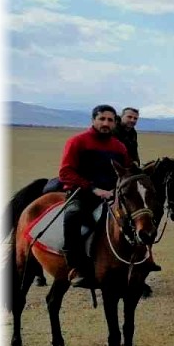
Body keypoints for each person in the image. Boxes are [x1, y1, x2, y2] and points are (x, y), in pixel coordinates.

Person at [60, 105, 131, 289]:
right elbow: (65, 172)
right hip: (82, 193)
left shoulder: (119, 147)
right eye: (102, 119)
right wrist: (93, 188)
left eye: (110, 120)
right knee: (72, 216)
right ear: (93, 120)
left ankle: (138, 261)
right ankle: (76, 266)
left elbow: (126, 172)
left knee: (136, 218)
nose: (106, 123)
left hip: (112, 195)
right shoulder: (77, 142)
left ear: (115, 123)